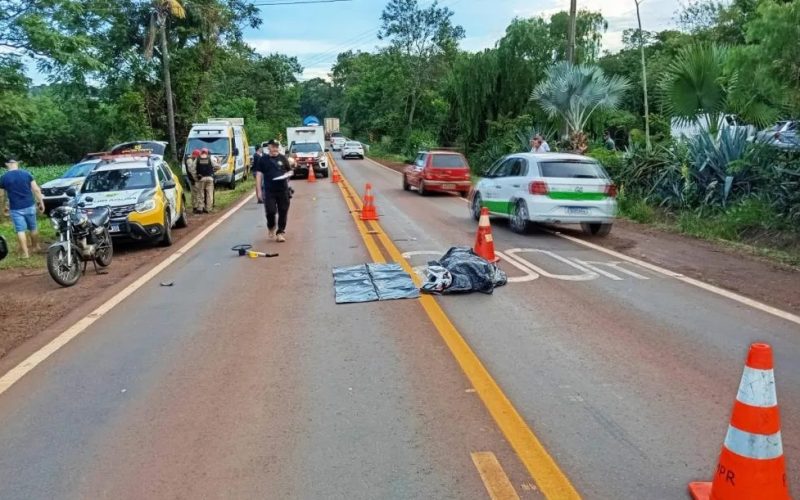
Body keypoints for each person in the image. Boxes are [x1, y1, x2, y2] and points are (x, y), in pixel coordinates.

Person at [0, 159, 45, 259]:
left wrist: (3, 208)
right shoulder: (26, 174)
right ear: (17, 163)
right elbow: (36, 190)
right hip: (29, 205)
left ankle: (25, 253)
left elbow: (1, 195)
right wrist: (41, 203)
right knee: (33, 227)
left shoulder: (3, 178)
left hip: (15, 208)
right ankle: (35, 247)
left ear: (7, 165)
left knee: (20, 230)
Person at [254, 139, 293, 242]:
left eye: (277, 146)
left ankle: (280, 232)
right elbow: (259, 175)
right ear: (269, 147)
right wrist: (259, 191)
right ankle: (271, 226)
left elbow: (289, 171)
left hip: (283, 190)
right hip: (269, 191)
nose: (275, 148)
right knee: (271, 211)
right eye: (273, 146)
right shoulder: (263, 160)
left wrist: (287, 176)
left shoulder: (283, 158)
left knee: (283, 211)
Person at [195, 148, 219, 213]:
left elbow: (193, 168)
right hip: (209, 178)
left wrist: (196, 175)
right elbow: (218, 166)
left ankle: (200, 208)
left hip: (201, 179)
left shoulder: (198, 159)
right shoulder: (210, 159)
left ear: (201, 152)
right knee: (209, 194)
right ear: (207, 152)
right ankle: (208, 208)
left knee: (201, 193)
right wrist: (213, 170)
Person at [185, 149, 202, 214]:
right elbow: (191, 170)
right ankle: (196, 207)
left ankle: (195, 207)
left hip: (193, 179)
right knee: (196, 193)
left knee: (195, 193)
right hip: (193, 179)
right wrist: (196, 178)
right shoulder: (189, 160)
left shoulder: (191, 159)